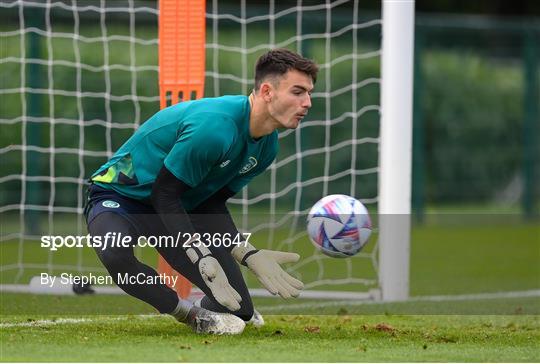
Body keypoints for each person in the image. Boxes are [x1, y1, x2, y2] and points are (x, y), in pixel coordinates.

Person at [84, 48, 318, 335]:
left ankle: (211, 304)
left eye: (309, 93)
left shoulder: (267, 147)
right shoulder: (215, 128)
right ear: (267, 91)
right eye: (298, 92)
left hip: (174, 206)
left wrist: (246, 252)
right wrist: (200, 254)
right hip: (121, 197)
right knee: (115, 252)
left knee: (239, 311)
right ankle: (190, 314)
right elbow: (164, 193)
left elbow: (210, 202)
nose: (307, 102)